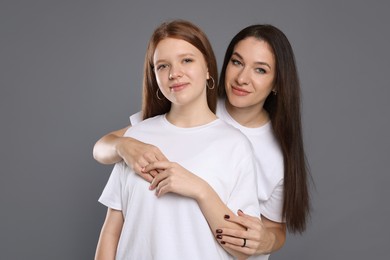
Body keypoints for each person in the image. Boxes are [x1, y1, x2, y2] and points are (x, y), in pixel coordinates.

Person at [94, 24, 311, 259]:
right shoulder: (175, 108)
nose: (242, 78)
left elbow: (271, 229)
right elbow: (107, 150)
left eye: (260, 70)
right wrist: (123, 145)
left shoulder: (255, 149)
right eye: (237, 62)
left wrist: (264, 240)